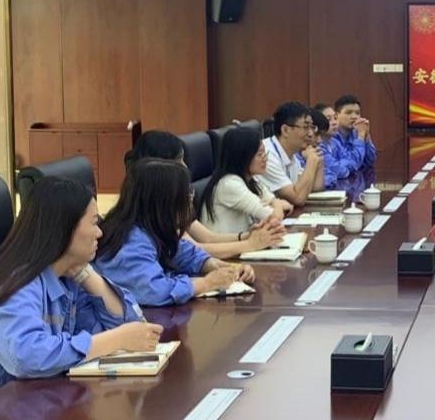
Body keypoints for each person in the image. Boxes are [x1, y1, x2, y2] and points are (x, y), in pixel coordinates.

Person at [0, 177, 159, 402]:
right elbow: (26, 356)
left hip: (13, 408)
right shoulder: (10, 280)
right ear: (64, 229)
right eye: (94, 222)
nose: (100, 232)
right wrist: (115, 340)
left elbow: (131, 327)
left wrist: (86, 274)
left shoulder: (63, 276)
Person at [95, 159, 255, 306]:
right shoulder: (131, 242)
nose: (190, 200)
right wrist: (207, 283)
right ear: (164, 203)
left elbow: (186, 254)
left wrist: (226, 269)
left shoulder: (152, 229)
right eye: (186, 195)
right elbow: (153, 291)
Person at [126, 130, 284, 255]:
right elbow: (194, 250)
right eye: (179, 160)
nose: (185, 167)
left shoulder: (172, 202)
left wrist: (247, 236)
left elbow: (208, 238)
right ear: (158, 165)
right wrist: (249, 244)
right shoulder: (151, 209)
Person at [200, 126, 292, 234]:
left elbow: (283, 205)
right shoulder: (229, 184)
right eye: (259, 154)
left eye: (264, 153)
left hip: (245, 241)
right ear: (243, 156)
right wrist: (277, 206)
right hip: (230, 244)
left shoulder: (251, 179)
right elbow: (274, 217)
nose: (265, 158)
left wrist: (275, 204)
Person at [257, 101, 325, 205]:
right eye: (305, 127)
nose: (311, 134)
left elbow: (315, 188)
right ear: (285, 130)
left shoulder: (291, 154)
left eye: (312, 127)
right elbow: (298, 198)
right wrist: (311, 161)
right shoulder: (267, 156)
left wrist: (318, 162)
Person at [302, 107, 352, 188]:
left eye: (335, 118)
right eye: (316, 135)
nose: (319, 140)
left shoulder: (334, 142)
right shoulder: (298, 155)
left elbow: (331, 176)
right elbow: (305, 186)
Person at [327, 94, 377, 175]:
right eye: (348, 113)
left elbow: (369, 162)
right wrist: (361, 137)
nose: (354, 117)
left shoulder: (357, 132)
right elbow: (352, 163)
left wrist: (366, 136)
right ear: (336, 115)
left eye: (357, 113)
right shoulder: (331, 136)